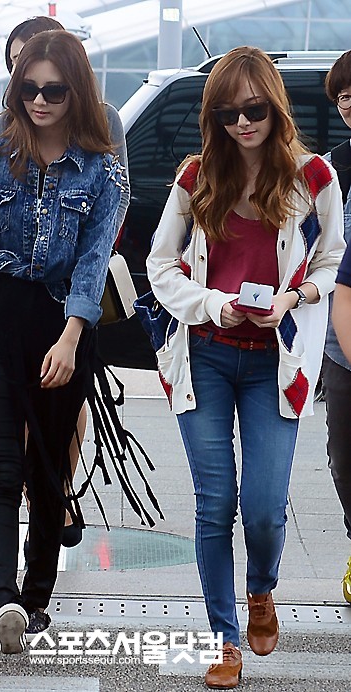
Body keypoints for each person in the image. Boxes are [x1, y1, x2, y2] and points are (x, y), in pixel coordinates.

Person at [146, 46, 345, 689]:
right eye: (228, 113)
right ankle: (224, 639)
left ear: (276, 108)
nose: (242, 123)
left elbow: (331, 260)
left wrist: (293, 297)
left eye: (254, 109)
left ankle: (261, 589)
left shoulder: (314, 178)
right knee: (214, 505)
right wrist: (212, 304)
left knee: (263, 507)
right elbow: (159, 266)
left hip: (274, 361)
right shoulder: (196, 177)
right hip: (205, 353)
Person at [0, 29, 123, 654]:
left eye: (54, 91)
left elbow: (93, 263)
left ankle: (36, 596)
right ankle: (4, 599)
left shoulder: (102, 171)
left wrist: (71, 337)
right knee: (1, 465)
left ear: (77, 92)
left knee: (47, 469)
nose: (39, 100)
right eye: (29, 89)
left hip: (61, 324)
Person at [0, 16, 130, 550]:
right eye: (18, 69)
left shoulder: (104, 119)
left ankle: (55, 489)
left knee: (68, 399)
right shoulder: (6, 124)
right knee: (19, 398)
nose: (35, 90)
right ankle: (38, 494)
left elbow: (114, 198)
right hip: (19, 291)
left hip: (75, 288)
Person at [322, 50, 351, 604]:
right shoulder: (332, 168)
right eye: (343, 96)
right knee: (344, 458)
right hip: (338, 337)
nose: (349, 103)